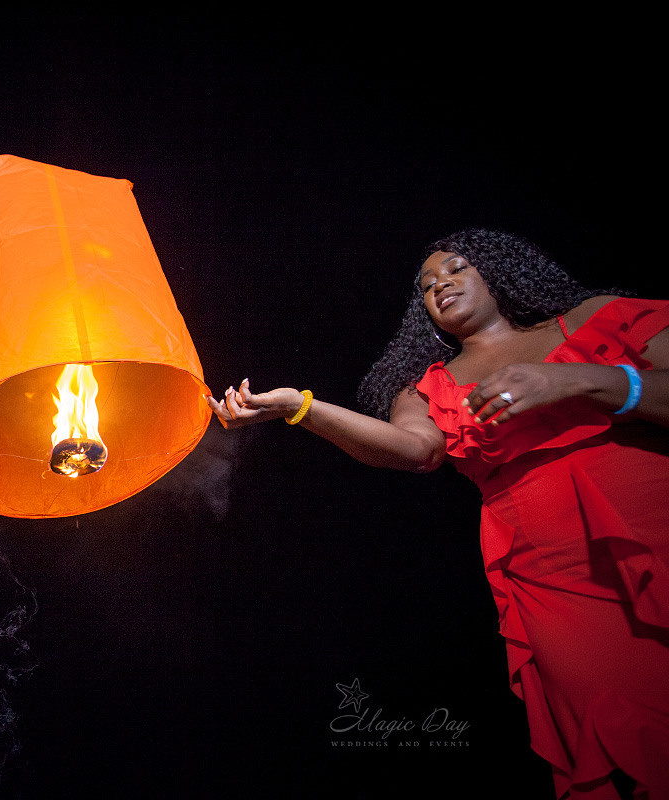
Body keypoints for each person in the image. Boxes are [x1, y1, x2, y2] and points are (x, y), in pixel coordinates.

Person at [210, 229, 668, 799]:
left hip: (655, 528)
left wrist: (575, 378)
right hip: (555, 578)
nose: (440, 285)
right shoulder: (431, 386)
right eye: (426, 286)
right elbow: (416, 450)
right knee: (620, 731)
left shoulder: (599, 317)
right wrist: (300, 407)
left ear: (502, 272)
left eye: (455, 269)